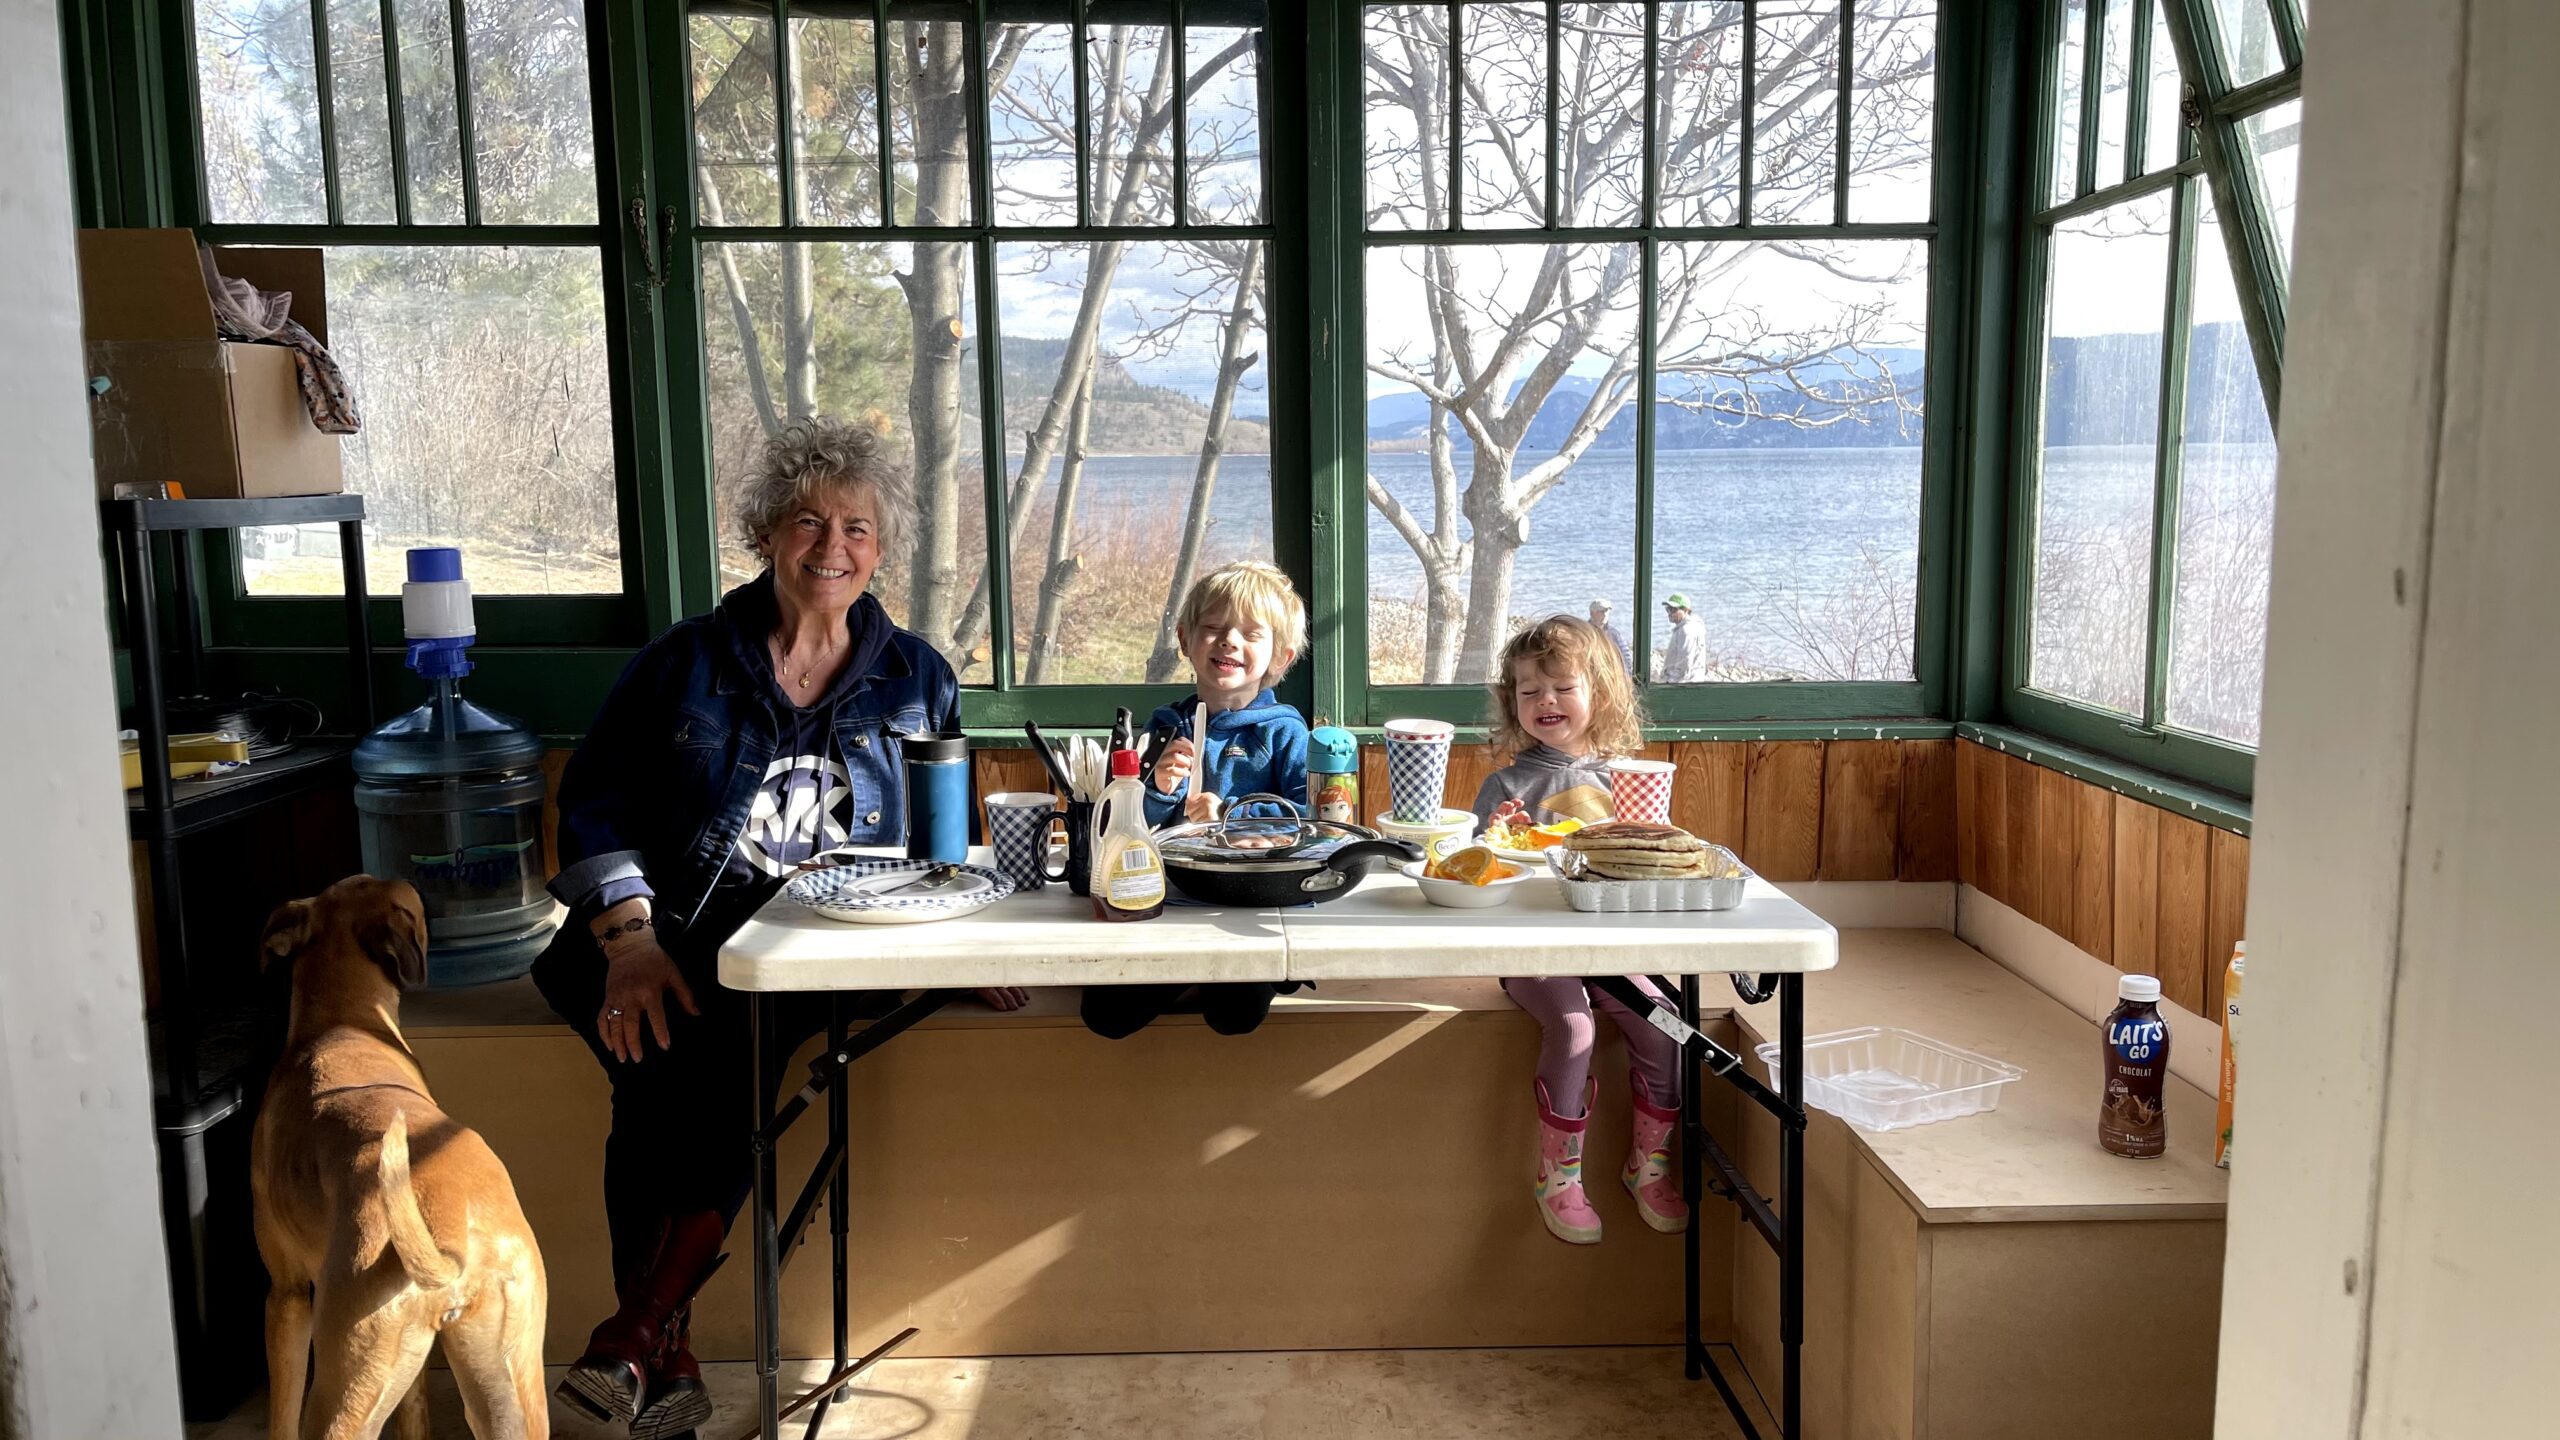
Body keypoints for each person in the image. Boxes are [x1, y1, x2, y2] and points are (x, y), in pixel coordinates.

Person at [530, 418, 1024, 1436]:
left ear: (881, 548)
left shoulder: (917, 675)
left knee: (693, 1081)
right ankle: (651, 1352)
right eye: (808, 521)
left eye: (856, 527)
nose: (831, 546)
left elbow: (943, 830)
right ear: (766, 533)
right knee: (677, 1065)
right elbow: (593, 805)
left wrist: (961, 945)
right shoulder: (683, 664)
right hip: (667, 938)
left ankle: (637, 1341)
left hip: (819, 952)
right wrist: (627, 942)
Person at [1470, 616, 1689, 1245]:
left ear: (1601, 693)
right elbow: (1482, 871)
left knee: (1668, 1022)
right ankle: (1558, 1178)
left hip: (1611, 949)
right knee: (1573, 1026)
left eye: (1562, 687)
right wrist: (1497, 835)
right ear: (1512, 702)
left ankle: (1648, 1165)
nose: (1546, 702)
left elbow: (1647, 868)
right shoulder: (1507, 784)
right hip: (1534, 949)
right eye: (1529, 690)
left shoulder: (1628, 783)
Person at [1080, 560, 1311, 1041]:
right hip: (1177, 896)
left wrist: (1230, 816)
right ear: (1185, 640)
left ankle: (1244, 971)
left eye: (1251, 634)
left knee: (1234, 1015)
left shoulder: (1285, 730)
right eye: (1214, 628)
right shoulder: (1168, 723)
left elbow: (1305, 822)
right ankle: (1191, 969)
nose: (1229, 641)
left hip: (1256, 903)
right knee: (1105, 1014)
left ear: (1280, 658)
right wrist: (1161, 791)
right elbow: (1132, 825)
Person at [1658, 592, 1709, 684]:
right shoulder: (1691, 627)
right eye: (1668, 609)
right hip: (1690, 683)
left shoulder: (1686, 630)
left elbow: (1685, 662)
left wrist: (1670, 683)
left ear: (1685, 610)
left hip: (1683, 685)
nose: (1670, 613)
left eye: (1673, 610)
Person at [1589, 599, 1633, 673]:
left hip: (1612, 676)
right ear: (1592, 613)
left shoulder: (1614, 634)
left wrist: (1626, 678)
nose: (1605, 614)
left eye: (1607, 611)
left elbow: (1625, 657)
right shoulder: (1584, 632)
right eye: (1602, 612)